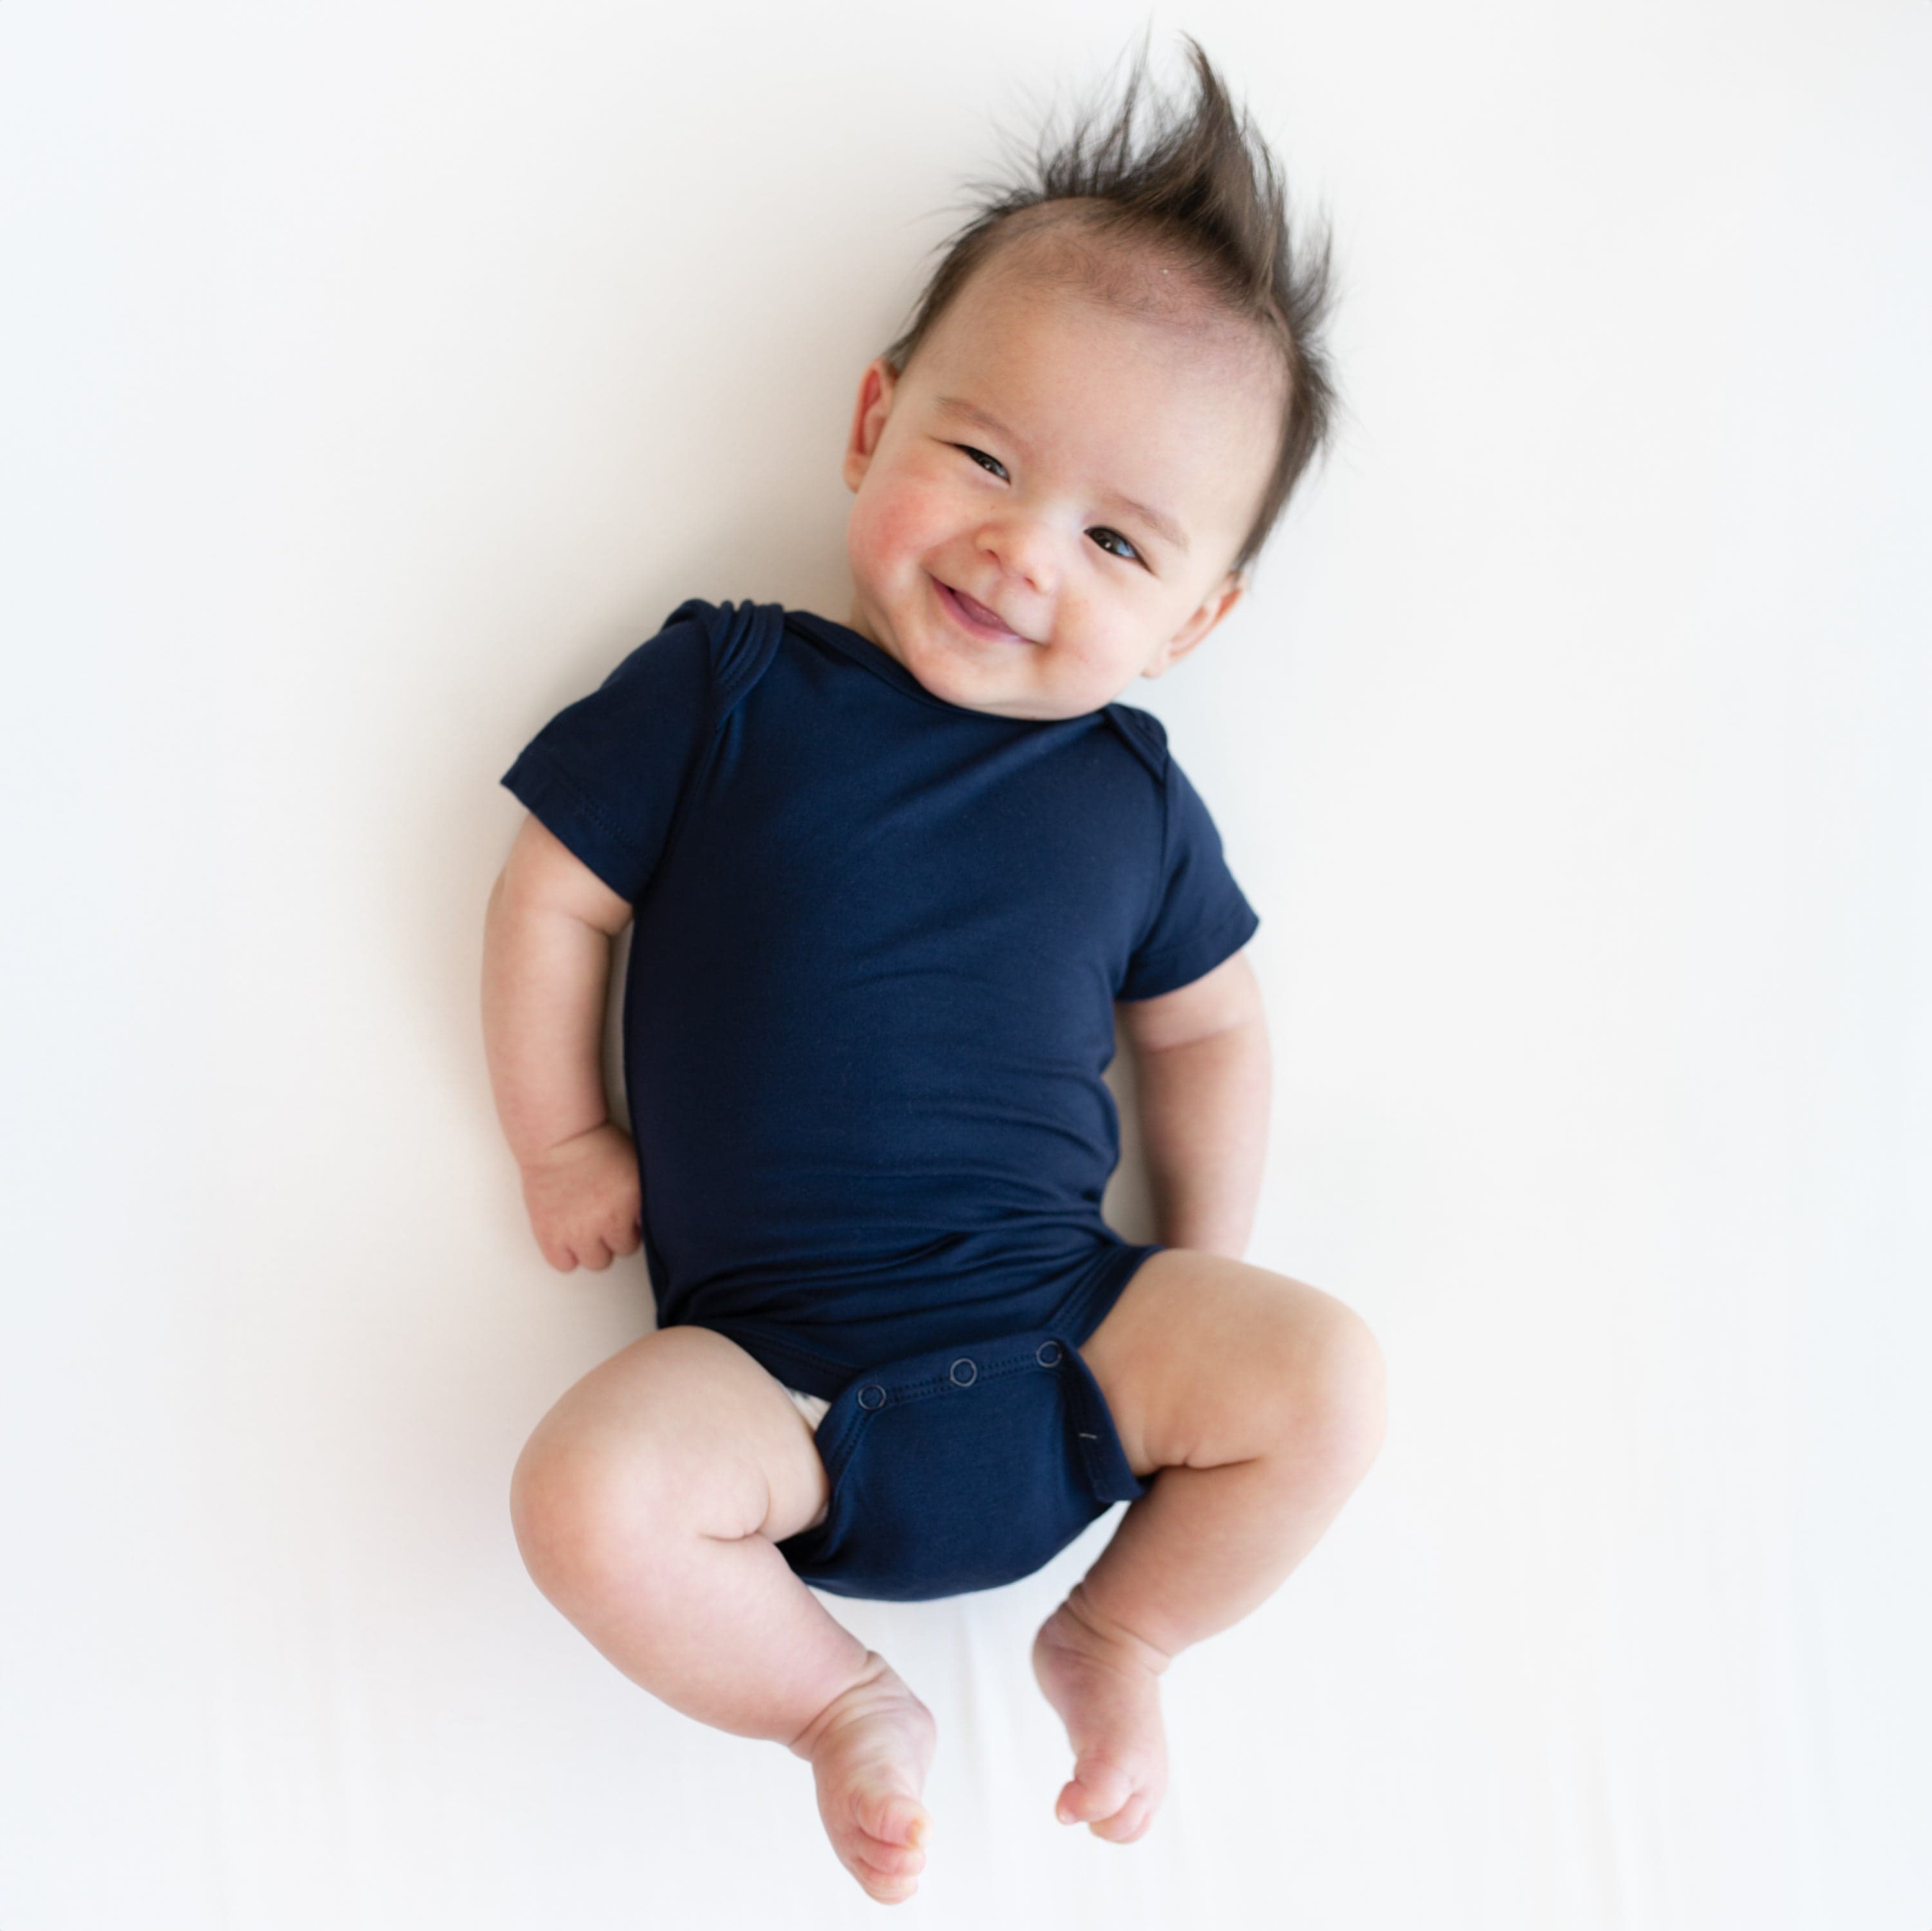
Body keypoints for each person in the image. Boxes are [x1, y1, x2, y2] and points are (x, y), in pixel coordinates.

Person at [481, 37, 1385, 1905]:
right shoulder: (729, 688)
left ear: (1195, 617)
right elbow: (553, 893)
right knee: (584, 1495)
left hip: (1081, 1351)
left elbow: (1209, 1027)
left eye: (1118, 538)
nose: (1020, 550)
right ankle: (831, 1709)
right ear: (872, 421)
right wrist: (563, 1139)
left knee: (1332, 1382)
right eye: (982, 455)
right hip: (776, 1393)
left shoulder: (1132, 796)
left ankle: (1118, 1644)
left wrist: (1204, 1260)